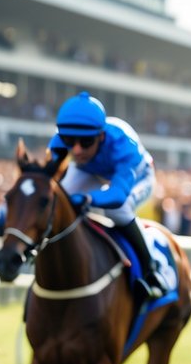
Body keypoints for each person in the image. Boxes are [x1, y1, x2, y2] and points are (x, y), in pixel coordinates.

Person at [49, 91, 164, 299]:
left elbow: (118, 195)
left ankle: (151, 270)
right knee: (60, 199)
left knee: (119, 210)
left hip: (138, 176)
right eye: (68, 140)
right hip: (92, 171)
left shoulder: (123, 145)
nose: (76, 150)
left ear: (101, 136)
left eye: (85, 142)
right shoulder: (60, 142)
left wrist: (89, 199)